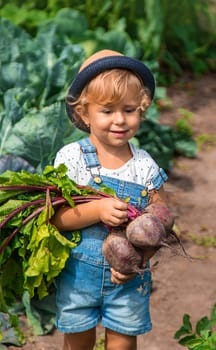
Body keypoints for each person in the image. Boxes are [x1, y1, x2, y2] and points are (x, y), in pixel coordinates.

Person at [52, 49, 168, 350]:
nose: (119, 120)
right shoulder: (71, 158)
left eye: (129, 110)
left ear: (142, 110)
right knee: (77, 343)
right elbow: (56, 219)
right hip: (78, 276)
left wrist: (139, 260)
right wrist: (98, 209)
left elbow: (161, 218)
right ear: (84, 113)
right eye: (107, 111)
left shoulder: (144, 165)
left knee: (122, 344)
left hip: (127, 278)